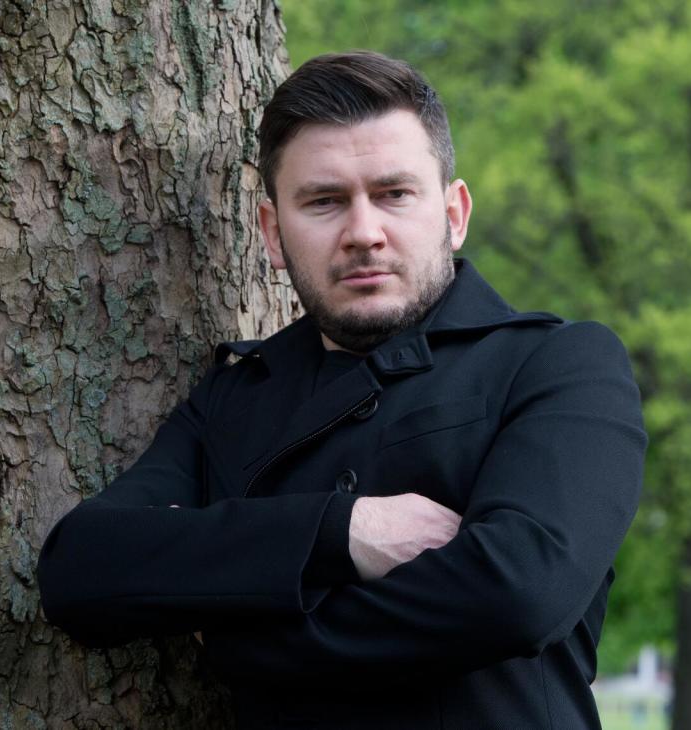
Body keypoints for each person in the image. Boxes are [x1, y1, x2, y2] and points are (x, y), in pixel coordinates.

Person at [37, 51, 646, 729]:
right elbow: (82, 570)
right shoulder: (235, 397)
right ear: (272, 233)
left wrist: (236, 638)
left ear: (454, 211)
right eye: (324, 201)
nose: (363, 233)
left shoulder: (559, 365)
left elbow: (520, 594)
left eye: (394, 194)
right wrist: (345, 531)